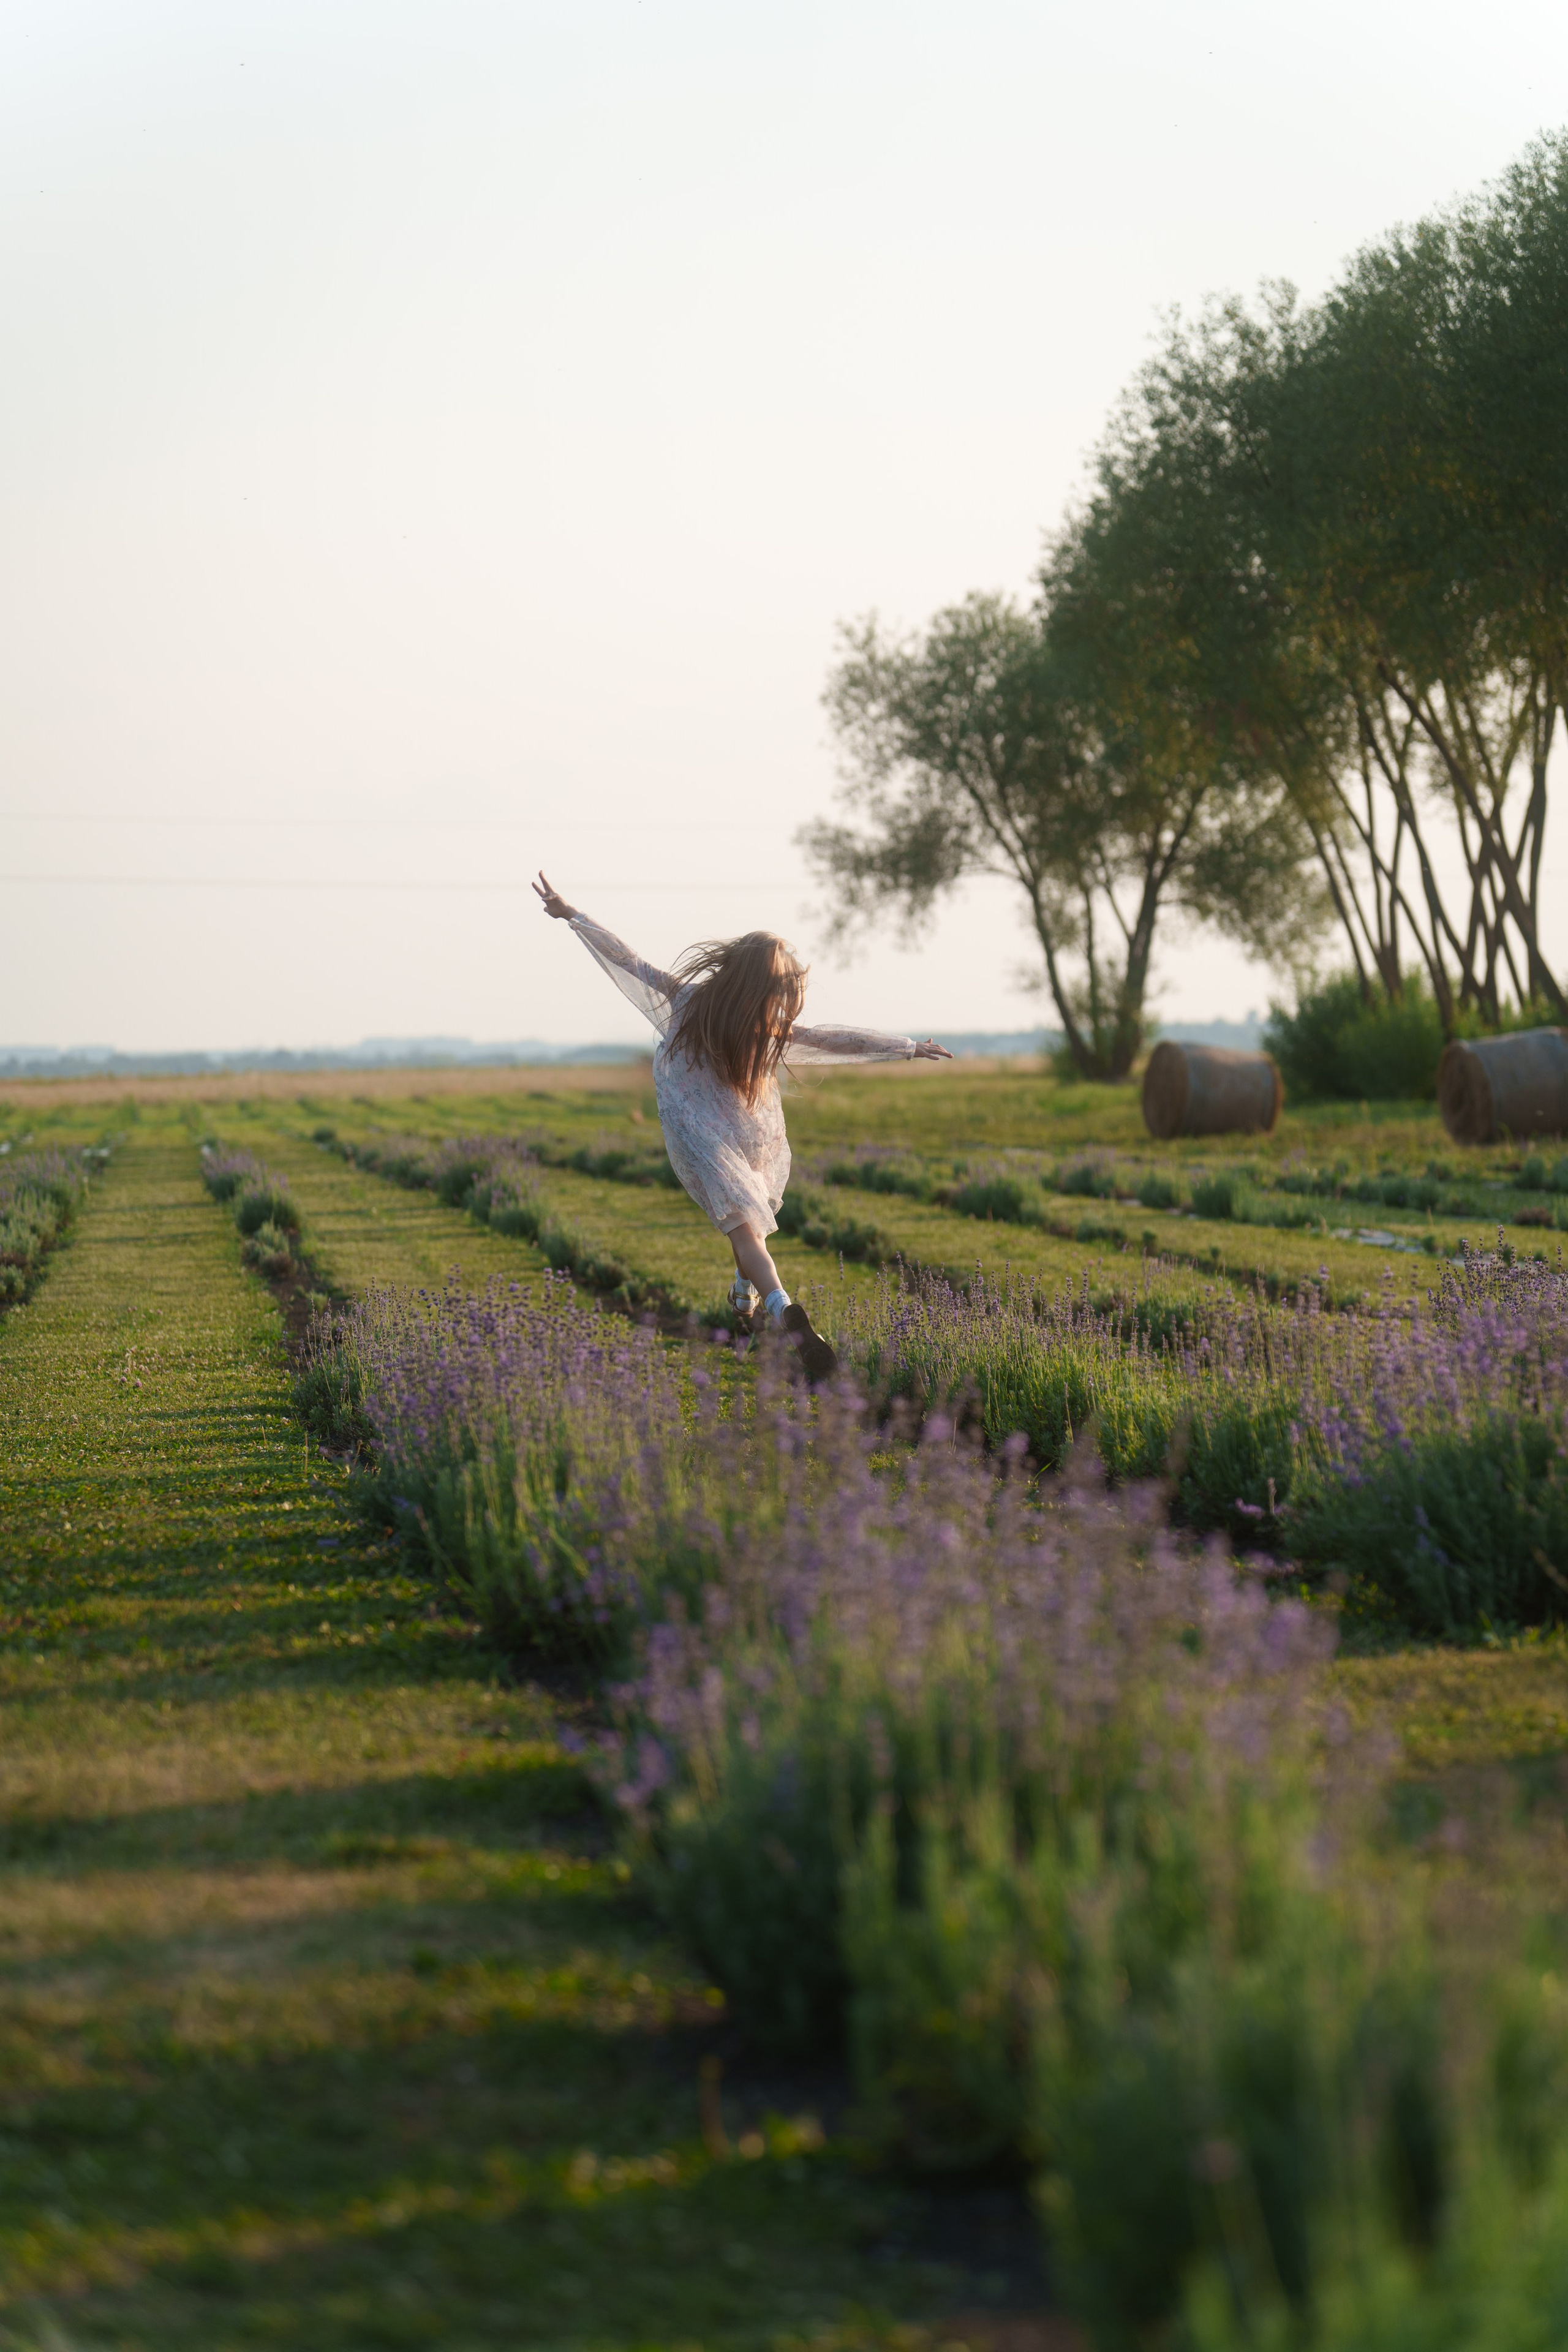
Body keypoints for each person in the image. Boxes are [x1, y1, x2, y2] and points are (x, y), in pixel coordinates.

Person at [533, 873, 951, 1377]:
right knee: (749, 1226)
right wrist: (905, 1047)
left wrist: (572, 916)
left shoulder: (690, 1002)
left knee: (743, 1232)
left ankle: (782, 1309)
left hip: (704, 1136)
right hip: (752, 1135)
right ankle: (742, 1299)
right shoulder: (766, 1027)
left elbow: (629, 962)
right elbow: (831, 1038)